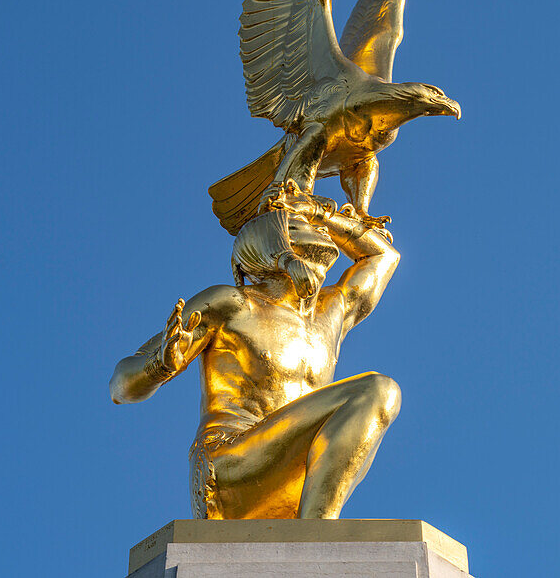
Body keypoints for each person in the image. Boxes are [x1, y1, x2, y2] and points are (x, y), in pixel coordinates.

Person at [109, 182, 402, 519]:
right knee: (377, 390)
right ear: (267, 244)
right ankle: (317, 541)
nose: (316, 231)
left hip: (291, 481)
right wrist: (160, 364)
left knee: (375, 396)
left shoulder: (331, 312)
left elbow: (383, 255)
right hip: (228, 465)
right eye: (296, 226)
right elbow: (120, 387)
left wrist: (318, 211)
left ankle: (314, 538)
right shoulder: (232, 304)